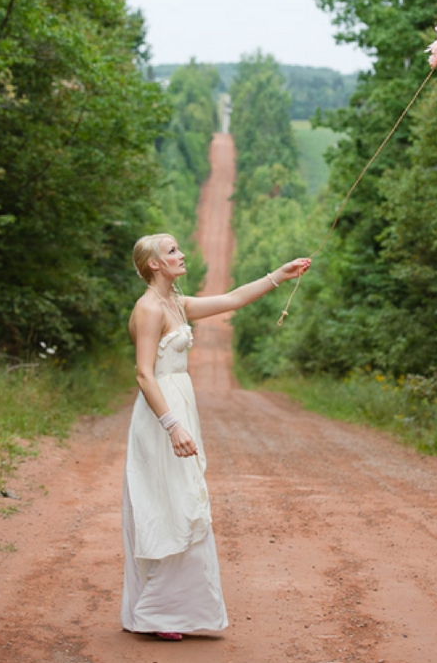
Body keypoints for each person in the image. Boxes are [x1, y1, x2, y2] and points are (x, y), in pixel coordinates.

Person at [121, 232, 310, 640]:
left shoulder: (177, 303)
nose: (181, 254)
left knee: (181, 498)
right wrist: (172, 426)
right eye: (172, 251)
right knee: (172, 503)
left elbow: (233, 299)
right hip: (161, 414)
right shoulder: (149, 308)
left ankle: (173, 609)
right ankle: (161, 612)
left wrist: (281, 274)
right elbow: (143, 374)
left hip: (180, 404)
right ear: (154, 263)